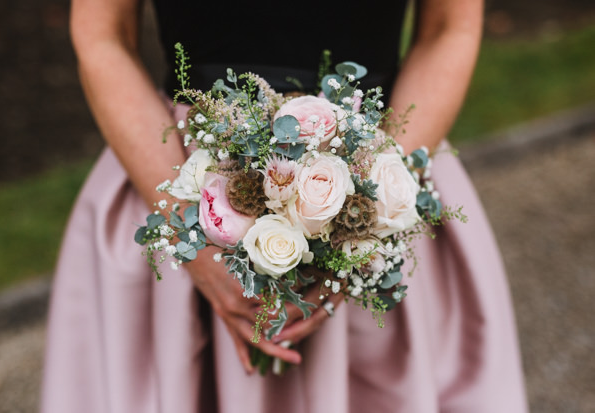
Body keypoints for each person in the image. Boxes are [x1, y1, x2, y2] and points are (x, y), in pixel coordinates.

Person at [40, 0, 529, 411]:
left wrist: (367, 208)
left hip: (382, 163)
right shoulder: (184, 215)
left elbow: (448, 28)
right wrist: (190, 235)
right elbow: (102, 35)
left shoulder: (372, 197)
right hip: (178, 173)